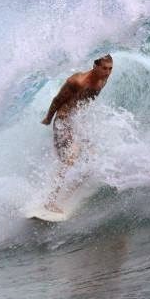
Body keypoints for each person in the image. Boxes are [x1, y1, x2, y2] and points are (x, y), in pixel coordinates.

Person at [41, 54, 114, 210]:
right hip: (64, 120)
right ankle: (50, 201)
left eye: (110, 68)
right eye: (104, 68)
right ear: (95, 66)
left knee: (94, 158)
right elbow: (57, 100)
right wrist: (48, 118)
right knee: (70, 158)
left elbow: (86, 101)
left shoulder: (103, 79)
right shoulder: (77, 81)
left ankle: (66, 196)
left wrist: (83, 122)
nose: (108, 72)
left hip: (78, 120)